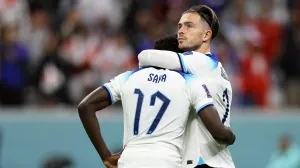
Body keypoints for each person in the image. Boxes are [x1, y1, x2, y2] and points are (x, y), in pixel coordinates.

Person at [137, 5, 235, 168]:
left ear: (206, 35)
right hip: (219, 160)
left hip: (204, 161)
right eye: (180, 26)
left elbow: (144, 56)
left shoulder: (198, 61)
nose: (181, 31)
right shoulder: (214, 68)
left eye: (189, 26)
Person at [78, 68, 235, 167]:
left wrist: (105, 156)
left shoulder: (129, 76)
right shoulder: (189, 80)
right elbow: (219, 133)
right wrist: (231, 137)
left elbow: (85, 106)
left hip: (130, 159)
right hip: (167, 159)